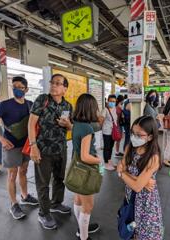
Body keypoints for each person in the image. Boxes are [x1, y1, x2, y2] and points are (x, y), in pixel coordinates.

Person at [28, 74, 73, 229]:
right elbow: (31, 123)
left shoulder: (68, 106)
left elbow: (70, 128)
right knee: (43, 183)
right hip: (43, 149)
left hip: (61, 148)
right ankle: (44, 213)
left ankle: (56, 203)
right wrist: (33, 146)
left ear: (65, 89)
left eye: (58, 83)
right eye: (52, 83)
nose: (54, 85)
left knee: (60, 178)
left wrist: (67, 125)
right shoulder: (42, 100)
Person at [0, 76, 39, 220]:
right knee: (12, 175)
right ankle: (13, 203)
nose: (16, 89)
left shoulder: (30, 105)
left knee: (23, 171)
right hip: (11, 145)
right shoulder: (4, 105)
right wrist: (2, 139)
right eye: (14, 86)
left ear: (26, 89)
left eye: (20, 87)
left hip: (26, 145)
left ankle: (25, 196)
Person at [117, 115, 164, 240]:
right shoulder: (130, 148)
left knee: (145, 234)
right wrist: (140, 180)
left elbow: (137, 187)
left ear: (150, 137)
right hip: (130, 198)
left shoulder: (153, 157)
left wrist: (122, 174)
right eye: (132, 132)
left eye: (139, 135)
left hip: (146, 204)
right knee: (130, 231)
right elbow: (120, 166)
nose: (134, 137)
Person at [72, 94, 101, 240]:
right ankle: (84, 237)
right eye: (95, 107)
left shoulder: (76, 124)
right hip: (86, 171)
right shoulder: (87, 128)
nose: (96, 110)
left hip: (77, 169)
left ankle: (80, 228)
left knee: (78, 200)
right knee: (88, 206)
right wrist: (98, 160)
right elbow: (85, 156)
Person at [101, 94, 118, 171]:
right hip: (107, 131)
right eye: (111, 101)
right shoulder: (105, 109)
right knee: (107, 147)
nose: (112, 103)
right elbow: (101, 120)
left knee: (111, 147)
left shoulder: (114, 109)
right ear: (108, 101)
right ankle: (106, 163)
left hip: (113, 132)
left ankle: (109, 160)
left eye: (114, 101)